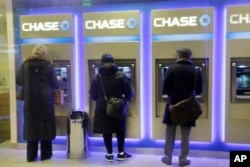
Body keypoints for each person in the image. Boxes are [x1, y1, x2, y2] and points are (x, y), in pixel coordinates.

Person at [16, 45, 59, 162]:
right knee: (46, 124)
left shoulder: (26, 65)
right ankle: (46, 155)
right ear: (44, 53)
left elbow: (19, 80)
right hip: (45, 100)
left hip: (30, 100)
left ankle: (31, 156)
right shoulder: (48, 65)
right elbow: (55, 84)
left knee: (31, 125)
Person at [161, 48, 203, 166]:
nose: (175, 55)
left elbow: (165, 88)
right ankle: (183, 159)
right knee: (185, 135)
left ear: (179, 55)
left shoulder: (171, 69)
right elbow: (199, 90)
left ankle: (167, 157)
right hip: (188, 107)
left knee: (170, 133)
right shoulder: (196, 71)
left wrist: (173, 95)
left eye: (176, 54)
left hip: (172, 105)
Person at [89, 54, 133, 162]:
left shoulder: (96, 77)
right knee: (120, 130)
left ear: (102, 62)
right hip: (117, 106)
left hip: (102, 107)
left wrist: (101, 100)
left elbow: (93, 95)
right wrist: (124, 99)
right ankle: (121, 153)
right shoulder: (121, 75)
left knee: (106, 131)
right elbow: (129, 93)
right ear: (113, 62)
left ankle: (109, 154)